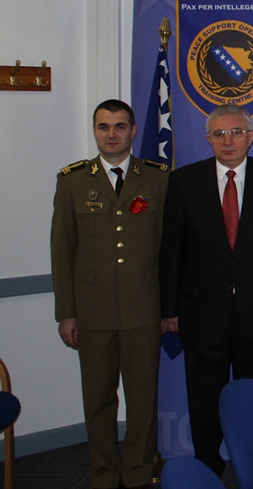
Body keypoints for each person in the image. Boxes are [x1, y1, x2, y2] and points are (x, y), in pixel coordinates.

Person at [160, 103, 253, 475]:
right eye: (219, 134)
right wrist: (169, 309)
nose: (228, 141)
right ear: (209, 140)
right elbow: (172, 250)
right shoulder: (185, 182)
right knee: (204, 400)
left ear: (250, 137)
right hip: (202, 313)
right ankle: (208, 467)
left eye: (236, 132)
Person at [50, 99, 168, 489]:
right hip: (92, 311)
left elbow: (169, 249)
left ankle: (137, 471)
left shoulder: (157, 179)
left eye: (119, 126)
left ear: (133, 130)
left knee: (143, 400)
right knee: (98, 398)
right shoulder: (72, 181)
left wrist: (169, 308)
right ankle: (103, 472)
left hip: (143, 309)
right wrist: (67, 312)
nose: (111, 134)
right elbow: (62, 250)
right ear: (95, 131)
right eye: (103, 127)